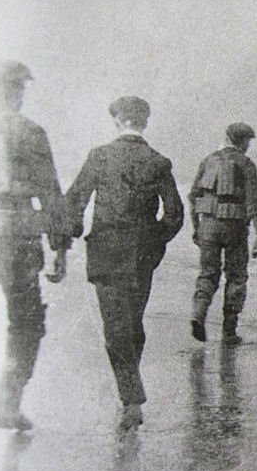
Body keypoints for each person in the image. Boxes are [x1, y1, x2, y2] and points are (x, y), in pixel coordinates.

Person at [66, 96, 183, 429]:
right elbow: (174, 215)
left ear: (117, 122)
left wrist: (69, 234)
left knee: (116, 328)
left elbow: (75, 201)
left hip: (105, 252)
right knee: (132, 324)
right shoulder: (158, 161)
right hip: (141, 256)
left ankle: (131, 399)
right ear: (143, 123)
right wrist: (152, 242)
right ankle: (129, 392)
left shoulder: (99, 157)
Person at [0, 60, 70, 430]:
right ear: (17, 92)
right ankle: (7, 404)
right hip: (19, 235)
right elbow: (51, 193)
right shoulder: (31, 132)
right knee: (27, 322)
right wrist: (60, 247)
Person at [188, 122, 257, 345]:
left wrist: (196, 228)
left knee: (207, 274)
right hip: (235, 227)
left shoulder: (208, 160)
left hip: (208, 225)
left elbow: (192, 197)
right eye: (247, 141)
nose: (248, 145)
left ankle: (197, 314)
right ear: (241, 141)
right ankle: (229, 332)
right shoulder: (246, 164)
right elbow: (253, 204)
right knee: (236, 276)